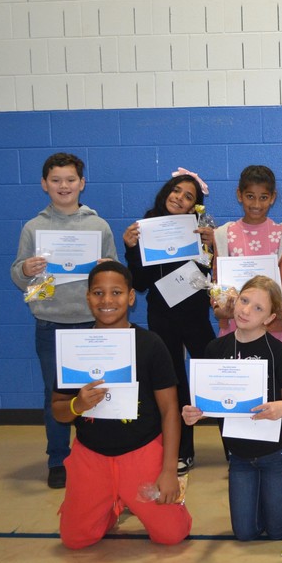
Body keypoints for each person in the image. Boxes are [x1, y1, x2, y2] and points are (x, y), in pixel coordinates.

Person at [51, 261, 192, 549]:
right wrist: (78, 404)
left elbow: (169, 411)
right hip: (91, 454)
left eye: (116, 292)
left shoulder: (151, 344)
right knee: (76, 540)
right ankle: (112, 502)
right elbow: (58, 409)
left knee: (171, 535)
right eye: (98, 293)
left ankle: (142, 499)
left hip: (141, 452)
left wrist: (168, 471)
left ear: (130, 297)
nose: (106, 301)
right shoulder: (74, 347)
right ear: (88, 298)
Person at [10, 152, 118, 489]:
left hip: (92, 323)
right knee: (55, 396)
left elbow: (115, 272)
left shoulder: (98, 225)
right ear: (45, 185)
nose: (63, 186)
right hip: (51, 324)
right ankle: (58, 459)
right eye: (56, 180)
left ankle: (98, 455)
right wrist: (25, 270)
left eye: (70, 180)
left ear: (82, 184)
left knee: (98, 392)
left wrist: (105, 266)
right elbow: (18, 273)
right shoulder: (33, 227)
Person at [182, 276, 282, 541]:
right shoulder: (215, 348)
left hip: (277, 454)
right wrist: (193, 414)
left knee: (279, 531)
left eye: (258, 308)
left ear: (269, 318)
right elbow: (206, 404)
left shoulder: (277, 351)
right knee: (246, 533)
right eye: (244, 301)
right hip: (240, 458)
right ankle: (266, 502)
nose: (246, 310)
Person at [122, 170, 215, 474]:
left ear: (194, 207)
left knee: (215, 373)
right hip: (162, 315)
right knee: (173, 383)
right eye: (176, 191)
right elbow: (139, 283)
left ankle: (237, 446)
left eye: (188, 196)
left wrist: (209, 247)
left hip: (195, 313)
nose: (180, 198)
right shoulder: (146, 227)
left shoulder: (200, 230)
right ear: (166, 192)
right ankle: (182, 450)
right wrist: (132, 248)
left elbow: (211, 274)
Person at [212, 165, 282, 356]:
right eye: (250, 196)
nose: (256, 204)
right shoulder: (223, 234)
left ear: (273, 197)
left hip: (272, 327)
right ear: (239, 195)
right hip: (235, 326)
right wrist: (219, 309)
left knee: (275, 381)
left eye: (263, 197)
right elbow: (217, 282)